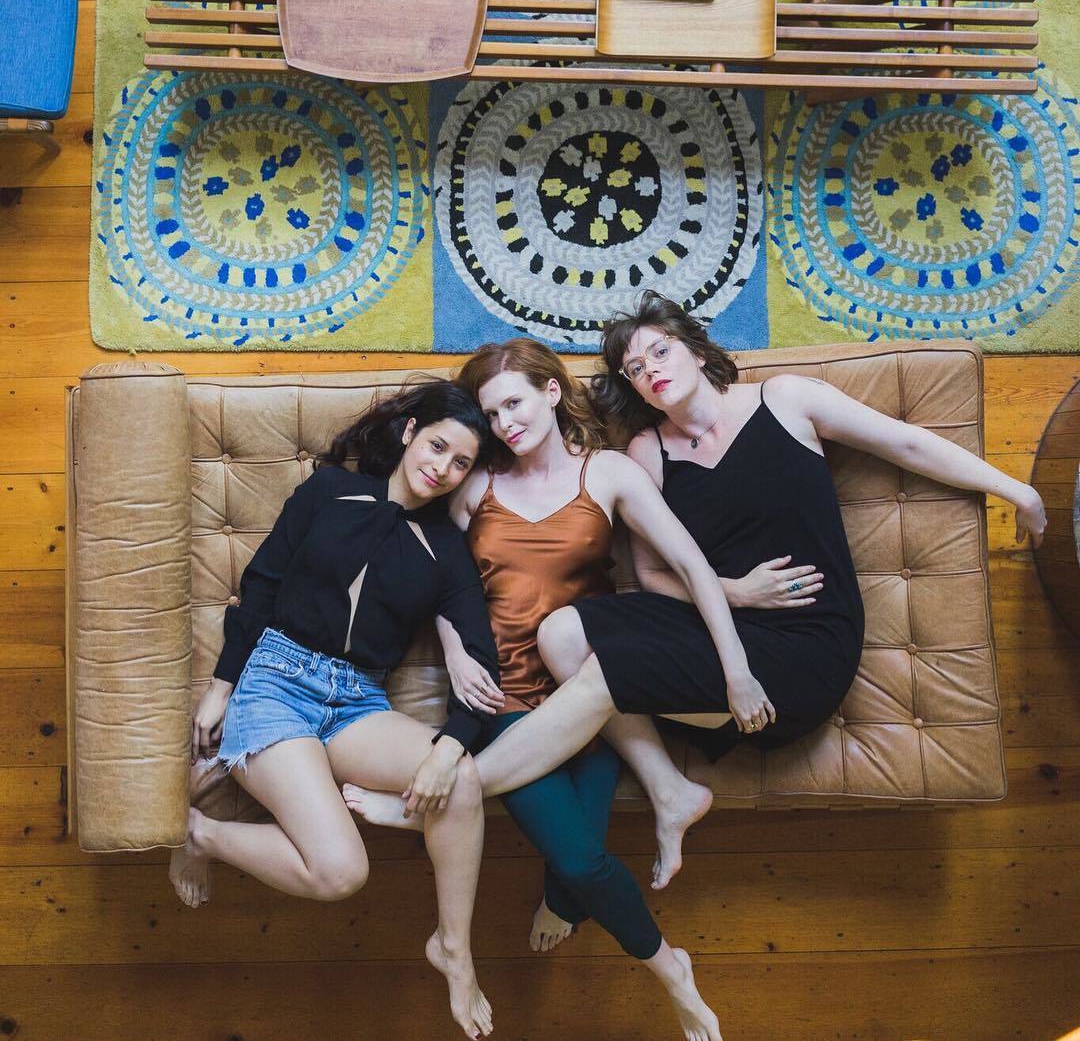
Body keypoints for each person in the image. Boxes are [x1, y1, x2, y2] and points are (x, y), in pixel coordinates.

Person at [344, 339, 796, 1041]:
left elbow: (689, 565)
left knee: (574, 869)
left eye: (515, 403)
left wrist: (736, 668)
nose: (505, 424)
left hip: (594, 700)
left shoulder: (608, 472)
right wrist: (457, 649)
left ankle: (472, 839)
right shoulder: (475, 484)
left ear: (552, 393)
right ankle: (674, 972)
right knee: (584, 862)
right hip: (505, 698)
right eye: (493, 413)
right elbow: (440, 577)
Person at [534, 291, 1047, 766]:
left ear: (697, 351)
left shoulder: (785, 400)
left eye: (661, 351)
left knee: (607, 673)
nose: (651, 370)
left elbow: (906, 443)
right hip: (714, 624)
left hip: (806, 641)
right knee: (562, 632)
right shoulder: (649, 451)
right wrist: (735, 591)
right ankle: (669, 775)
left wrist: (1016, 491)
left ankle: (492, 776)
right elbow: (651, 575)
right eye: (636, 369)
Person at [167, 380, 501, 1041]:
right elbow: (262, 585)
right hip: (275, 681)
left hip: (356, 701)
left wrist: (449, 747)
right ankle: (200, 834)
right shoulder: (328, 490)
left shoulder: (446, 551)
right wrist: (222, 686)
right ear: (410, 433)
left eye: (461, 462)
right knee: (341, 872)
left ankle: (454, 949)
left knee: (461, 779)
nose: (443, 468)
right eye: (438, 446)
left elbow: (483, 667)